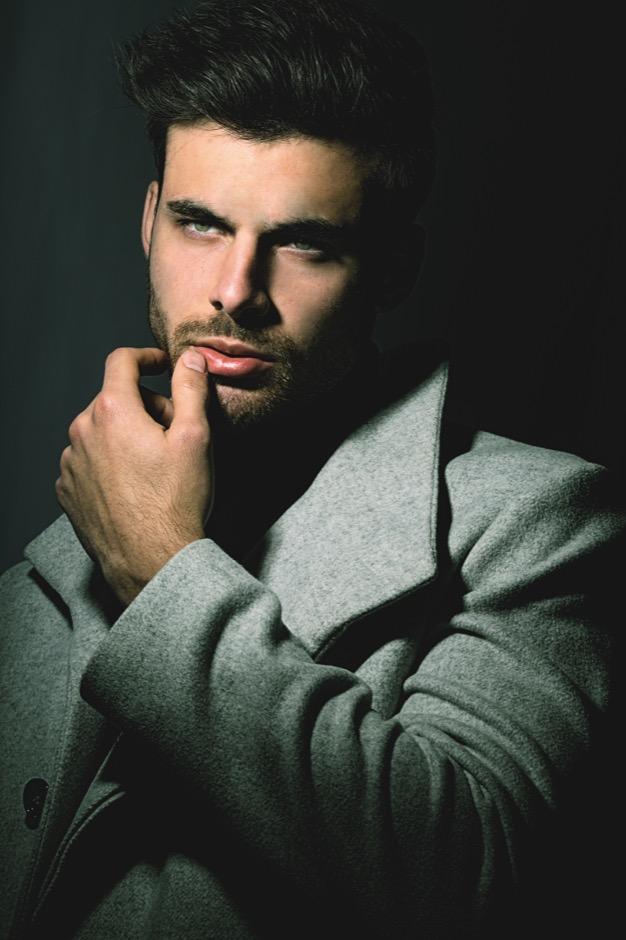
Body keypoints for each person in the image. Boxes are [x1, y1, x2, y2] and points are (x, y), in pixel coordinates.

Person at [0, 1, 622, 937]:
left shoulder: (540, 523)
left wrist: (161, 568)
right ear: (149, 221)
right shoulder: (42, 567)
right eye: (200, 224)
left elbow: (469, 881)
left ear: (394, 266)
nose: (234, 291)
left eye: (303, 243)